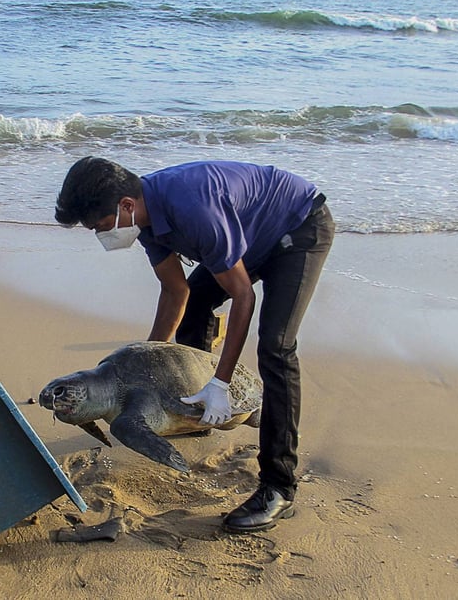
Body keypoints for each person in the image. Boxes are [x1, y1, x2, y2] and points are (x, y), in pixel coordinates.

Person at [54, 157, 334, 532]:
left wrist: (221, 382)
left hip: (297, 228)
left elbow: (243, 297)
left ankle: (278, 487)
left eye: (102, 227)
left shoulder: (192, 208)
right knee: (197, 303)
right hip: (249, 235)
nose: (101, 235)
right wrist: (141, 365)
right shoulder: (145, 217)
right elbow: (176, 291)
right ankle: (194, 411)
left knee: (276, 347)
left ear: (125, 206)